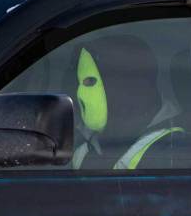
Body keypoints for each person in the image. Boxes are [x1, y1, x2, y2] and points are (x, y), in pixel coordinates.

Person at [70, 35, 183, 170]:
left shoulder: (172, 152)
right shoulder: (83, 150)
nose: (80, 94)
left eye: (91, 82)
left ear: (128, 85)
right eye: (81, 83)